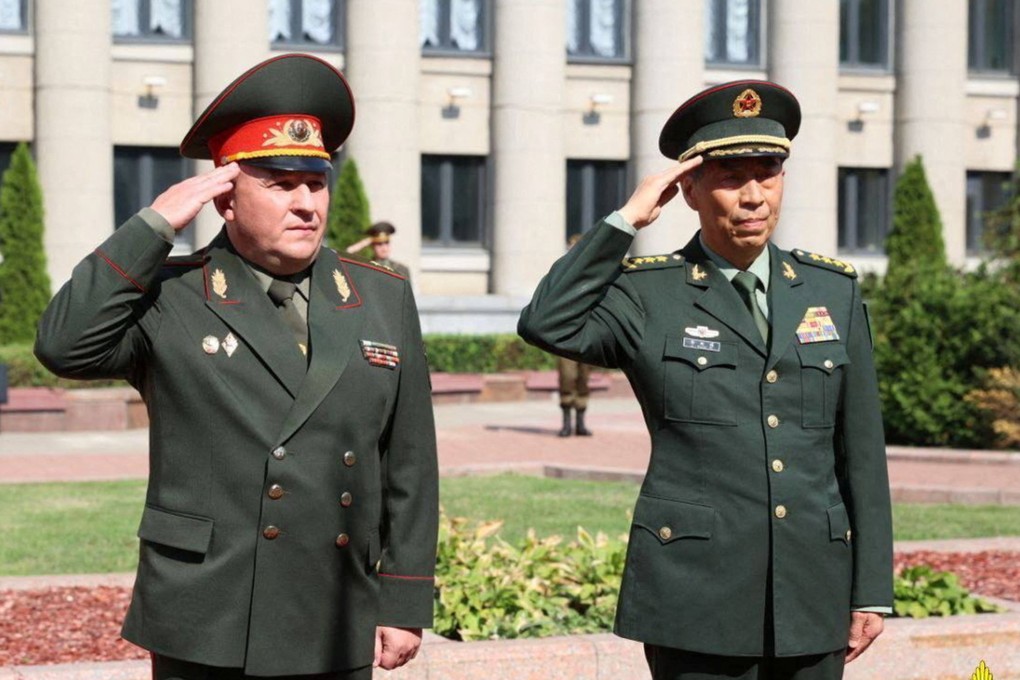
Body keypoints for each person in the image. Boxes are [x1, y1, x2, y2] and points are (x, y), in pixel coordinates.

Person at [34, 53, 439, 679]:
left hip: (334, 607)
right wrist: (151, 228)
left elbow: (409, 458)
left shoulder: (379, 296)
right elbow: (64, 346)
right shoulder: (171, 295)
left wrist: (405, 597)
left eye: (317, 183)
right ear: (225, 199)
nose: (307, 204)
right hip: (209, 611)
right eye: (280, 184)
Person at [518, 80, 893, 680]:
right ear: (688, 188)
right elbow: (546, 322)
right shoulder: (649, 293)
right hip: (695, 599)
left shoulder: (832, 291)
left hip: (813, 593)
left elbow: (862, 453)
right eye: (729, 176)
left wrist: (870, 587)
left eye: (767, 172)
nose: (753, 196)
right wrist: (625, 220)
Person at [556, 233, 593, 437]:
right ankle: (566, 423)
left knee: (583, 379)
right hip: (566, 333)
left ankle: (580, 422)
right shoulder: (563, 272)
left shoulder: (591, 272)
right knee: (567, 377)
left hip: (586, 331)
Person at [346, 221, 410, 279]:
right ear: (372, 245)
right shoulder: (366, 267)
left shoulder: (401, 269)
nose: (384, 248)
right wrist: (362, 244)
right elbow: (346, 257)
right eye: (379, 244)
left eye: (386, 243)